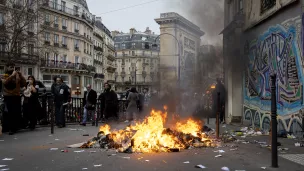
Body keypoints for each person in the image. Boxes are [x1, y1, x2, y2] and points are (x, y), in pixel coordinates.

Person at [1, 62, 26, 135]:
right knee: (8, 113)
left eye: (13, 67)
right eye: (11, 67)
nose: (12, 68)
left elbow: (24, 83)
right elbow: (5, 83)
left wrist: (21, 76)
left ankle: (15, 127)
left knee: (16, 112)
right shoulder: (4, 75)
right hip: (8, 96)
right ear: (7, 67)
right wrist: (12, 75)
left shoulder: (17, 75)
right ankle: (8, 128)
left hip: (16, 96)